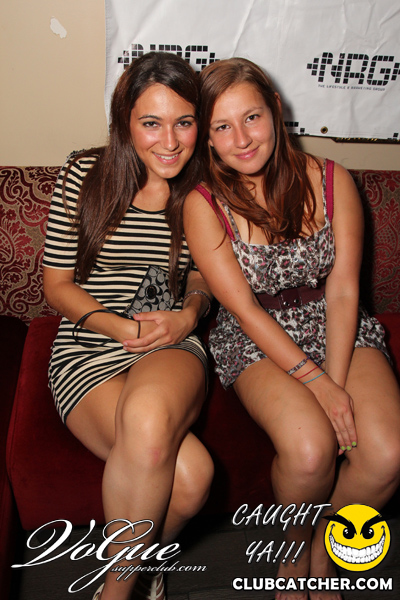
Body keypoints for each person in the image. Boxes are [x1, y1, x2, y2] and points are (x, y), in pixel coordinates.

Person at [183, 57, 400, 600]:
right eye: (222, 127)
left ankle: (325, 546)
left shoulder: (332, 179)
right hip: (253, 335)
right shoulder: (202, 204)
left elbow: (343, 289)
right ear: (206, 137)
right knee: (309, 452)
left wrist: (337, 381)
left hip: (335, 320)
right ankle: (294, 543)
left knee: (387, 456)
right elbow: (246, 311)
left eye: (252, 117)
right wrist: (318, 383)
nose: (241, 139)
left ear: (276, 109)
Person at [43, 51, 214, 600]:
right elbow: (56, 285)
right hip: (91, 345)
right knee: (191, 480)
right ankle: (147, 566)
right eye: (151, 123)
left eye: (184, 122)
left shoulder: (205, 188)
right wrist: (118, 329)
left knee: (149, 419)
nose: (170, 141)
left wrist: (189, 313)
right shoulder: (85, 175)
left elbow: (202, 277)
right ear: (124, 122)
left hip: (170, 339)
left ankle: (114, 591)